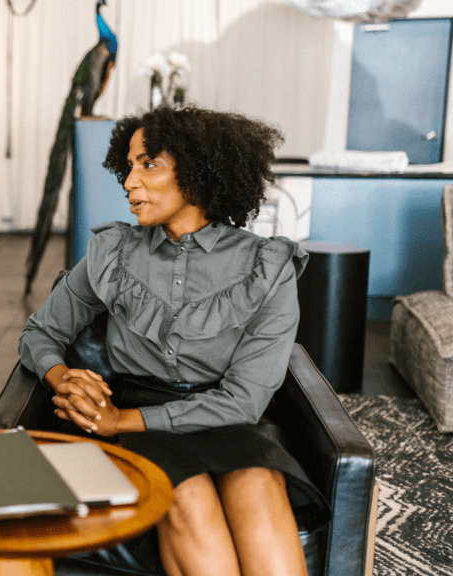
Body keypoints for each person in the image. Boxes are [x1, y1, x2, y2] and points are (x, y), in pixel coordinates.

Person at [19, 105, 327, 576]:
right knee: (187, 494)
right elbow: (41, 332)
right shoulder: (113, 252)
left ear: (199, 172)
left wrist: (123, 418)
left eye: (148, 164)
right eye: (128, 166)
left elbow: (244, 400)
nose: (128, 182)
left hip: (225, 418)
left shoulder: (267, 266)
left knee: (261, 486)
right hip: (136, 428)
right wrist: (63, 379)